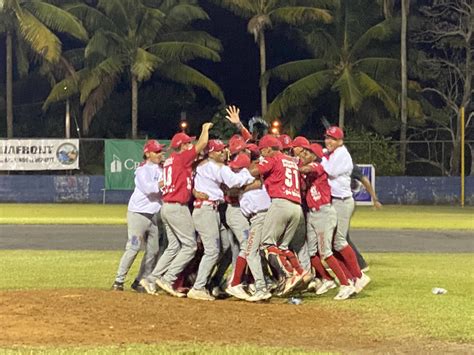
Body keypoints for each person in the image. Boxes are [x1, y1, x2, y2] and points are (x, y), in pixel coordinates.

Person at [140, 123, 213, 296]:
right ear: (181, 146)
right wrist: (205, 130)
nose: (190, 145)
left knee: (173, 246)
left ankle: (151, 279)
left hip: (166, 207)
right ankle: (168, 278)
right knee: (190, 247)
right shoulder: (181, 158)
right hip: (177, 208)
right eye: (188, 143)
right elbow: (201, 145)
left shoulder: (170, 161)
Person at [187, 139, 255, 301]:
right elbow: (234, 181)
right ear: (210, 153)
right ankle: (198, 286)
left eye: (224, 149)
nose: (223, 152)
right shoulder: (214, 166)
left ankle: (207, 280)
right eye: (219, 150)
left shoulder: (204, 165)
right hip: (206, 210)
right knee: (212, 250)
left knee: (226, 246)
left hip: (211, 209)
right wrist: (249, 173)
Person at [249, 134, 308, 296]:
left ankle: (289, 275)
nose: (262, 154)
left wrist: (248, 165)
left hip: (280, 203)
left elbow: (254, 171)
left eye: (263, 150)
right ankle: (302, 272)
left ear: (269, 149)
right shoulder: (291, 160)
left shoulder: (273, 158)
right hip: (297, 206)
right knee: (282, 246)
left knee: (267, 245)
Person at [299, 143, 356, 300]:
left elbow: (307, 168)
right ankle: (327, 279)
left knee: (326, 252)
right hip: (312, 213)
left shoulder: (318, 165)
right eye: (303, 152)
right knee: (311, 251)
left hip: (324, 213)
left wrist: (292, 166)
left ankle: (346, 284)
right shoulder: (309, 170)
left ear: (314, 156)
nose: (303, 155)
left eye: (307, 153)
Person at [321, 126, 371, 293]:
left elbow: (329, 171)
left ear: (340, 141)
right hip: (336, 201)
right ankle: (351, 277)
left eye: (332, 139)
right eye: (327, 138)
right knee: (335, 243)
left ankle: (359, 275)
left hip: (342, 202)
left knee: (340, 241)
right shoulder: (333, 154)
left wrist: (321, 157)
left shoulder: (342, 153)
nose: (328, 141)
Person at [111, 139, 165, 291]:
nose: (160, 154)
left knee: (154, 251)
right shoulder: (142, 170)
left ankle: (141, 280)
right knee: (133, 247)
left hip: (154, 215)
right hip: (138, 214)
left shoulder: (162, 169)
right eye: (157, 151)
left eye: (161, 151)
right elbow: (149, 189)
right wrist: (164, 182)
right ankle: (118, 281)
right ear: (147, 154)